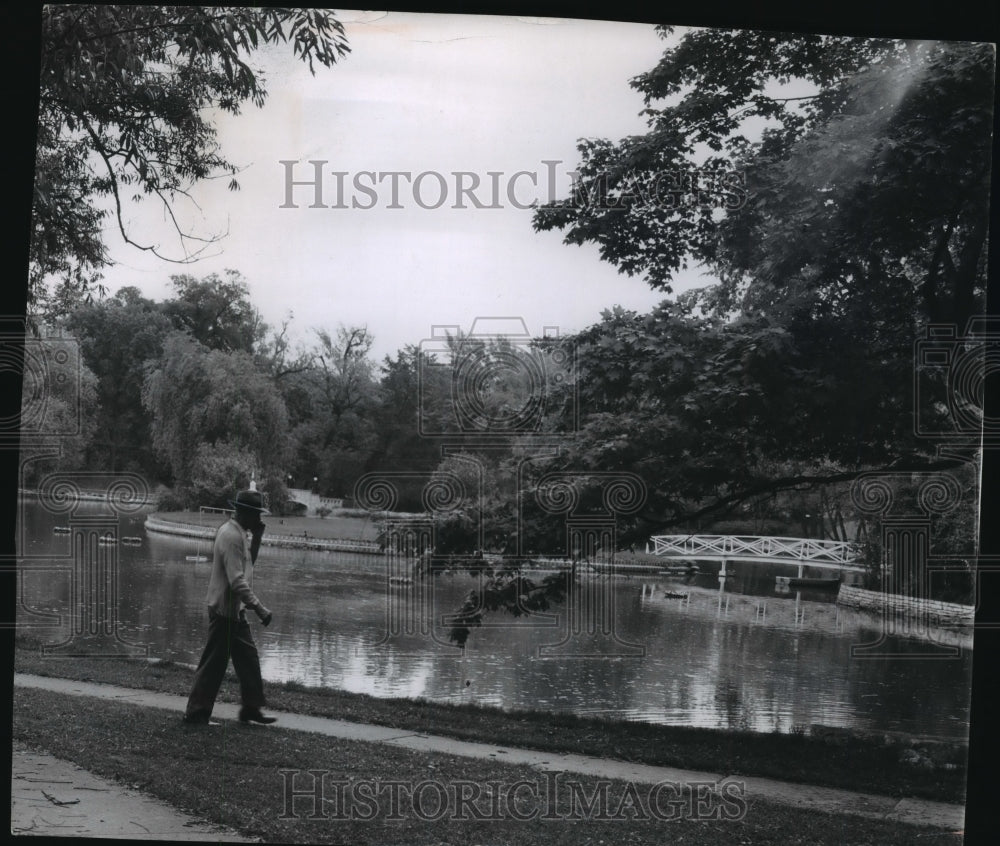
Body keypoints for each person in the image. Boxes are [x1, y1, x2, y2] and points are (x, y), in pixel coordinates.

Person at [183, 489, 277, 726]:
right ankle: (196, 714)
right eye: (256, 514)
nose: (259, 519)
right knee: (214, 664)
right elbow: (237, 582)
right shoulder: (231, 536)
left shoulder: (239, 533)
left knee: (249, 659)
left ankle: (250, 709)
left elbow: (247, 566)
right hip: (224, 610)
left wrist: (257, 537)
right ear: (244, 512)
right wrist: (260, 608)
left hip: (235, 611)